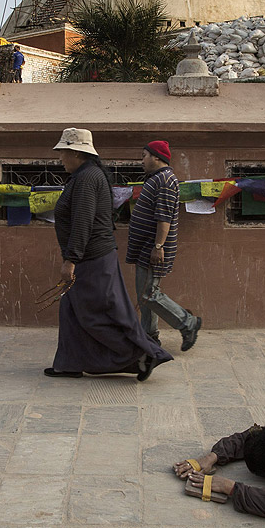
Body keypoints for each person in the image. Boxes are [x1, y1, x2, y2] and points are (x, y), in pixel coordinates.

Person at [45, 128, 174, 381]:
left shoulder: (87, 179)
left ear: (76, 153)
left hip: (92, 259)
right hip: (92, 256)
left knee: (95, 315)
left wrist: (71, 260)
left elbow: (83, 222)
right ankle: (69, 363)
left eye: (63, 152)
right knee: (71, 311)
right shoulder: (84, 176)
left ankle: (142, 354)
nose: (60, 158)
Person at [125, 140, 200, 350]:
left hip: (153, 247)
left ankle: (188, 323)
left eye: (144, 156)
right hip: (146, 247)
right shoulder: (156, 179)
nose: (141, 161)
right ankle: (149, 337)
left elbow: (164, 218)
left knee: (149, 294)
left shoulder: (165, 180)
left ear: (157, 157)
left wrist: (158, 246)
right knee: (146, 293)